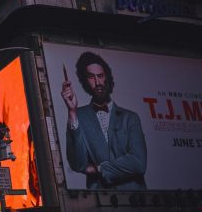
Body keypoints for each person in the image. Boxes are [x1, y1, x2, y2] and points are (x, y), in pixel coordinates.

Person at [62, 51, 147, 189]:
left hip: (136, 201)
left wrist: (99, 168)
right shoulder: (79, 116)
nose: (97, 82)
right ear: (85, 81)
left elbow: (138, 163)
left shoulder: (130, 118)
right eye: (91, 77)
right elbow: (78, 164)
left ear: (107, 77)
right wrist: (72, 112)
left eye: (100, 76)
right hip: (100, 201)